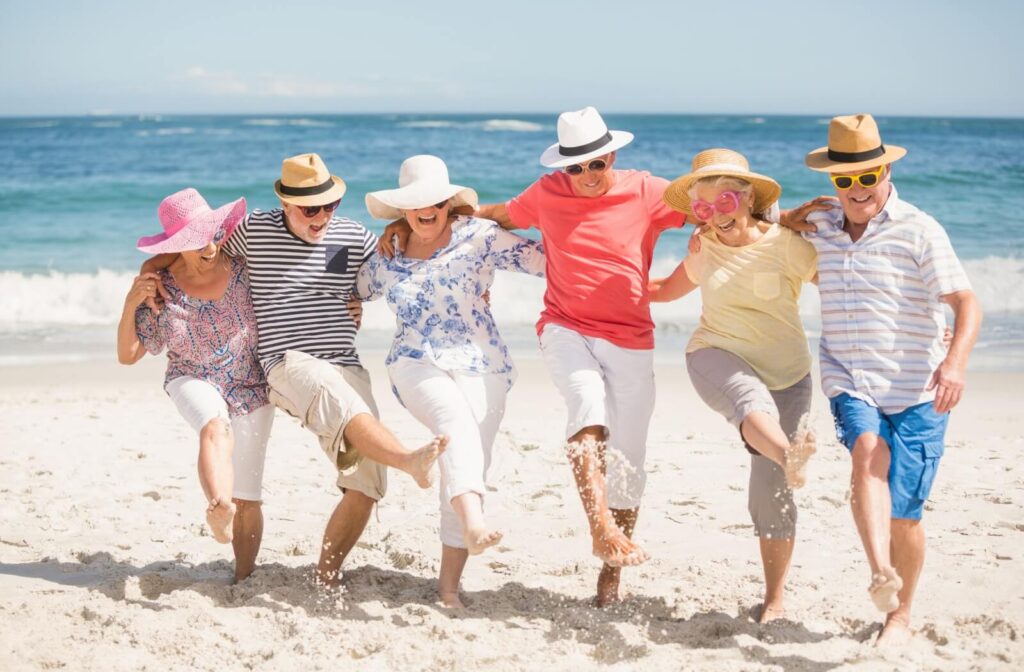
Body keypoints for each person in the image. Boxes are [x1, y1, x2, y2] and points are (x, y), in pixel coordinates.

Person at [381, 107, 687, 606]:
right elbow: (496, 215)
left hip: (631, 334)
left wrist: (777, 219)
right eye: (575, 167)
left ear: (612, 154)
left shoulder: (649, 190)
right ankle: (599, 528)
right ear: (562, 168)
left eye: (595, 164)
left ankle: (610, 575)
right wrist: (415, 222)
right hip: (565, 325)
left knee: (629, 456)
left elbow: (716, 213)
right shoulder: (548, 193)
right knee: (586, 407)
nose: (587, 175)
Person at [142, 154, 447, 588]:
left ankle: (326, 572)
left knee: (366, 481)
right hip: (287, 363)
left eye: (329, 205)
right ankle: (408, 458)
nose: (321, 216)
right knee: (329, 392)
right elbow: (193, 253)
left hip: (344, 360)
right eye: (310, 209)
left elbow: (399, 259)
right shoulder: (253, 231)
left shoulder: (351, 237)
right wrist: (148, 271)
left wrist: (399, 226)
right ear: (285, 205)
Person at [790, 114, 982, 644]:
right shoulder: (823, 221)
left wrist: (956, 364)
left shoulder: (918, 228)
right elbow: (761, 221)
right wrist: (790, 214)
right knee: (866, 451)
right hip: (850, 375)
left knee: (905, 516)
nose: (856, 190)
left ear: (885, 170)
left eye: (865, 177)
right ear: (832, 181)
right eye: (844, 180)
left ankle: (901, 613)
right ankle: (880, 574)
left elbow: (966, 301)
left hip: (920, 389)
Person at [356, 155, 545, 607]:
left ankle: (448, 588)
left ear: (447, 203)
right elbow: (351, 289)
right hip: (414, 361)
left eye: (434, 202)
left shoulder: (479, 237)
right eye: (414, 204)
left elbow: (548, 262)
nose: (425, 211)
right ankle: (475, 525)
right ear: (403, 209)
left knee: (464, 457)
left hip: (484, 363)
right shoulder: (390, 252)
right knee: (453, 422)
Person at [648, 148, 818, 622]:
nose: (714, 215)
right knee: (751, 403)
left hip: (788, 372)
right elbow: (663, 291)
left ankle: (775, 600)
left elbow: (845, 285)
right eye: (701, 208)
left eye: (724, 202)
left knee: (771, 492)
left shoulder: (787, 245)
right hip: (715, 354)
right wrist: (596, 284)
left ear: (746, 198)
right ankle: (789, 455)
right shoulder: (705, 247)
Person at [117, 188, 273, 582]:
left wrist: (347, 305)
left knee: (250, 494)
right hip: (192, 375)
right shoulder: (161, 288)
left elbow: (294, 279)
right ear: (176, 246)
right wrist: (129, 303)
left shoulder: (244, 267)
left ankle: (242, 576)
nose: (208, 248)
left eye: (213, 236)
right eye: (194, 241)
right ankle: (218, 507)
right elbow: (129, 354)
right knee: (213, 425)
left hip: (252, 383)